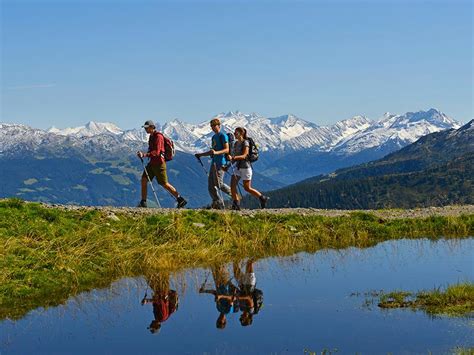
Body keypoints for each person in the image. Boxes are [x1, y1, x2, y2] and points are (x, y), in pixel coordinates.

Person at [137, 120, 187, 208]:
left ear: (152, 127)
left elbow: (157, 152)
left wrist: (144, 155)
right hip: (152, 163)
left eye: (147, 127)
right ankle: (143, 202)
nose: (145, 129)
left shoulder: (158, 137)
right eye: (145, 128)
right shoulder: (151, 137)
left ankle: (180, 199)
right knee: (144, 180)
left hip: (159, 164)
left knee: (164, 183)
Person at [194, 118, 232, 209]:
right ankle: (217, 203)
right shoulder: (214, 137)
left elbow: (227, 149)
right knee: (211, 185)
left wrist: (216, 153)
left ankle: (233, 194)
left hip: (221, 162)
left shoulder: (223, 136)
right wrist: (201, 155)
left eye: (214, 126)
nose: (213, 128)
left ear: (219, 126)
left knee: (219, 184)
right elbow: (213, 151)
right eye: (211, 126)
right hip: (214, 162)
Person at [228, 127, 269, 210]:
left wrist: (233, 158)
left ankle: (262, 197)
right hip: (238, 167)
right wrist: (228, 165)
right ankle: (236, 203)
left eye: (236, 133)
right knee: (232, 185)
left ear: (241, 133)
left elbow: (244, 155)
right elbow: (234, 158)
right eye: (234, 133)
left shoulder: (245, 142)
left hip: (246, 167)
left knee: (247, 188)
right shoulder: (236, 144)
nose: (234, 134)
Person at [199, 264, 239, 329]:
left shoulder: (218, 308)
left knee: (214, 266)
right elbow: (232, 298)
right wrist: (221, 296)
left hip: (217, 283)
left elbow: (215, 293)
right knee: (221, 265)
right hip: (226, 284)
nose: (219, 320)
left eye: (218, 321)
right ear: (225, 321)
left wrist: (204, 291)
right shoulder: (229, 311)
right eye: (221, 322)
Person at [233, 259, 263, 327]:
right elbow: (249, 298)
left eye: (240, 319)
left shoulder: (241, 309)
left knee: (235, 267)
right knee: (249, 263)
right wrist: (237, 297)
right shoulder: (250, 310)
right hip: (249, 285)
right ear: (247, 319)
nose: (240, 318)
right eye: (242, 320)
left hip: (242, 285)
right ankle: (260, 252)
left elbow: (241, 295)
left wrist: (236, 294)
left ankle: (236, 254)